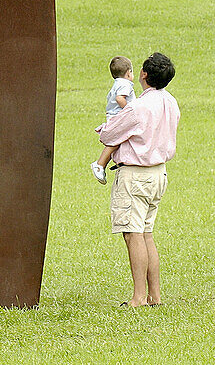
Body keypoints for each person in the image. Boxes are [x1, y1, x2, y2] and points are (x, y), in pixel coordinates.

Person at [96, 52, 180, 307]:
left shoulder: (139, 106)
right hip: (159, 173)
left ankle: (138, 297)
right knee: (146, 234)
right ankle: (154, 295)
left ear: (144, 74)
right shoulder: (171, 102)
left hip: (135, 176)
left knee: (133, 235)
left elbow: (109, 134)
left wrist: (106, 129)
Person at [91, 56, 135, 183]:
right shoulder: (125, 84)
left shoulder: (117, 83)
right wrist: (130, 110)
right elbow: (120, 98)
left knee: (118, 140)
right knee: (116, 141)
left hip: (113, 115)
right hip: (118, 116)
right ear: (128, 73)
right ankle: (99, 164)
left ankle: (101, 165)